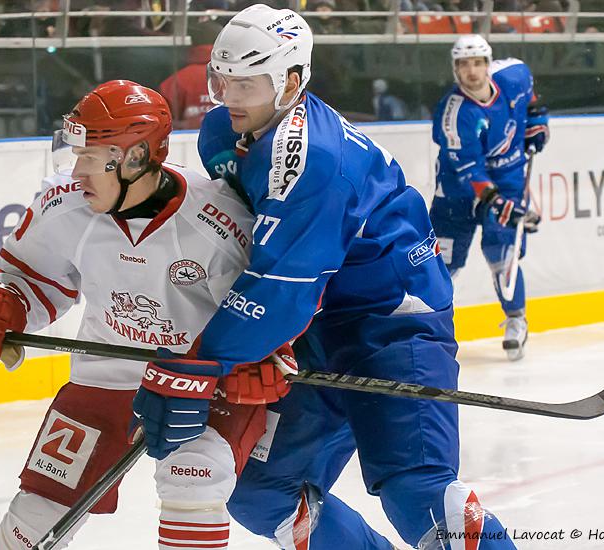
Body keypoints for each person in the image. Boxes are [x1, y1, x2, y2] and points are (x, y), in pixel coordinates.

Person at [131, 5, 517, 549]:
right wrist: (244, 348)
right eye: (222, 81)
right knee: (259, 490)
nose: (230, 98)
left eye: (247, 84)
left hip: (393, 323)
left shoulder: (313, 159)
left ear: (291, 82)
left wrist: (200, 363)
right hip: (315, 326)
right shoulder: (224, 131)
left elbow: (280, 286)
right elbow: (246, 247)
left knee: (418, 492)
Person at [0, 79, 298, 550]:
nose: (77, 171)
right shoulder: (64, 204)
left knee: (194, 480)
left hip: (199, 380)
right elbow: (29, 276)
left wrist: (266, 356)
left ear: (135, 157)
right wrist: (1, 303)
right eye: (77, 155)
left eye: (91, 158)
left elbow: (272, 305)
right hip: (104, 375)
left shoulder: (219, 220)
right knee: (38, 510)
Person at [430, 34, 549, 361]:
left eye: (478, 63)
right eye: (463, 65)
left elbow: (530, 95)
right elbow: (472, 173)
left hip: (508, 180)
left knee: (502, 253)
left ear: (488, 64)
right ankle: (426, 329)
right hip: (456, 192)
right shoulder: (454, 113)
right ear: (455, 69)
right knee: (440, 264)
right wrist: (503, 206)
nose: (472, 71)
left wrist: (537, 119)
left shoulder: (513, 76)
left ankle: (516, 320)